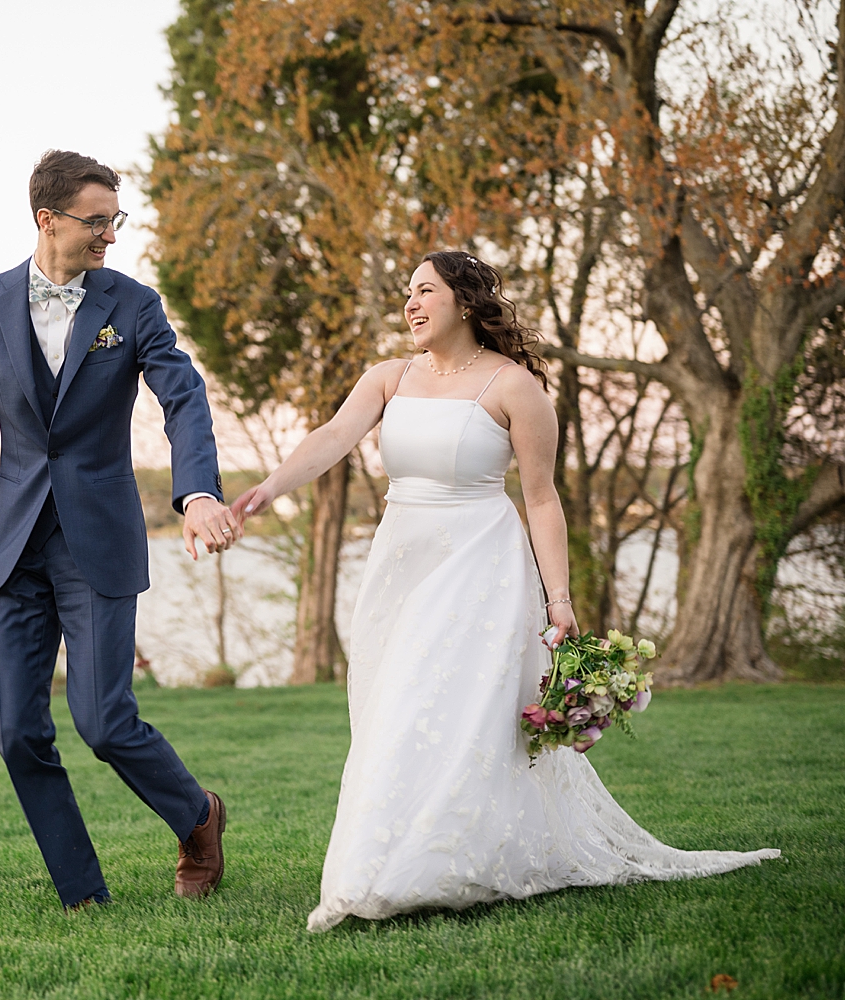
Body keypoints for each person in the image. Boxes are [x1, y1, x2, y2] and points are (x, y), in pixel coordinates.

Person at [230, 250, 779, 931]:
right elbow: (333, 436)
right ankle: (384, 859)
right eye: (407, 293)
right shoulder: (388, 377)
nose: (410, 303)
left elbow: (543, 500)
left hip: (480, 561)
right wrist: (267, 490)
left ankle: (416, 870)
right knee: (391, 707)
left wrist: (560, 601)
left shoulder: (513, 387)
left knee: (457, 711)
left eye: (424, 290)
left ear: (464, 302)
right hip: (400, 562)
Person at [0, 150, 241, 910]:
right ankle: (82, 893)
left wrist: (195, 492)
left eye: (114, 221)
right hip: (16, 544)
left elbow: (183, 398)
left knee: (103, 720)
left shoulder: (133, 305)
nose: (110, 238)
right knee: (17, 735)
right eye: (97, 222)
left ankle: (198, 815)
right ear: (47, 220)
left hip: (100, 538)